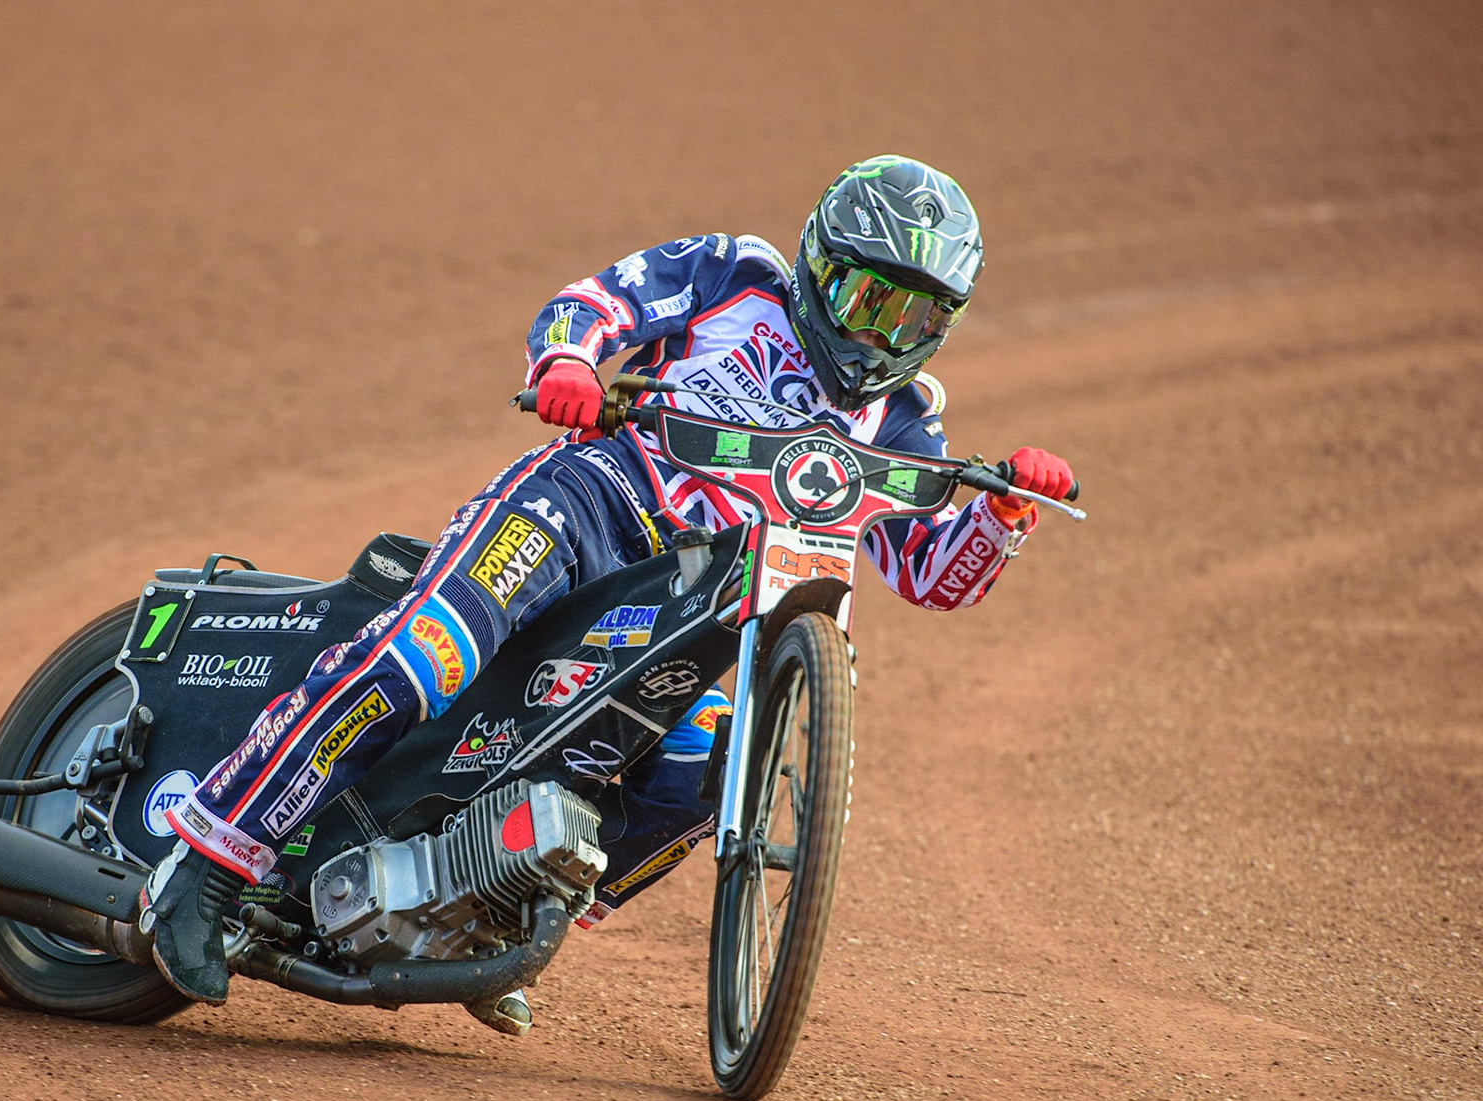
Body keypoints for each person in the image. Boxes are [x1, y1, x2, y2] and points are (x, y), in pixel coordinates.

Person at [140, 155, 1075, 1030]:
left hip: (713, 603)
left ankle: (494, 911)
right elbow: (596, 302)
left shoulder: (911, 421)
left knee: (698, 782)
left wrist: (1007, 516)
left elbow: (930, 573)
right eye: (870, 299)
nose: (883, 335)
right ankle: (210, 857)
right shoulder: (736, 276)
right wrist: (570, 365)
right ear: (820, 266)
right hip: (595, 503)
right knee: (431, 652)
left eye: (915, 319)